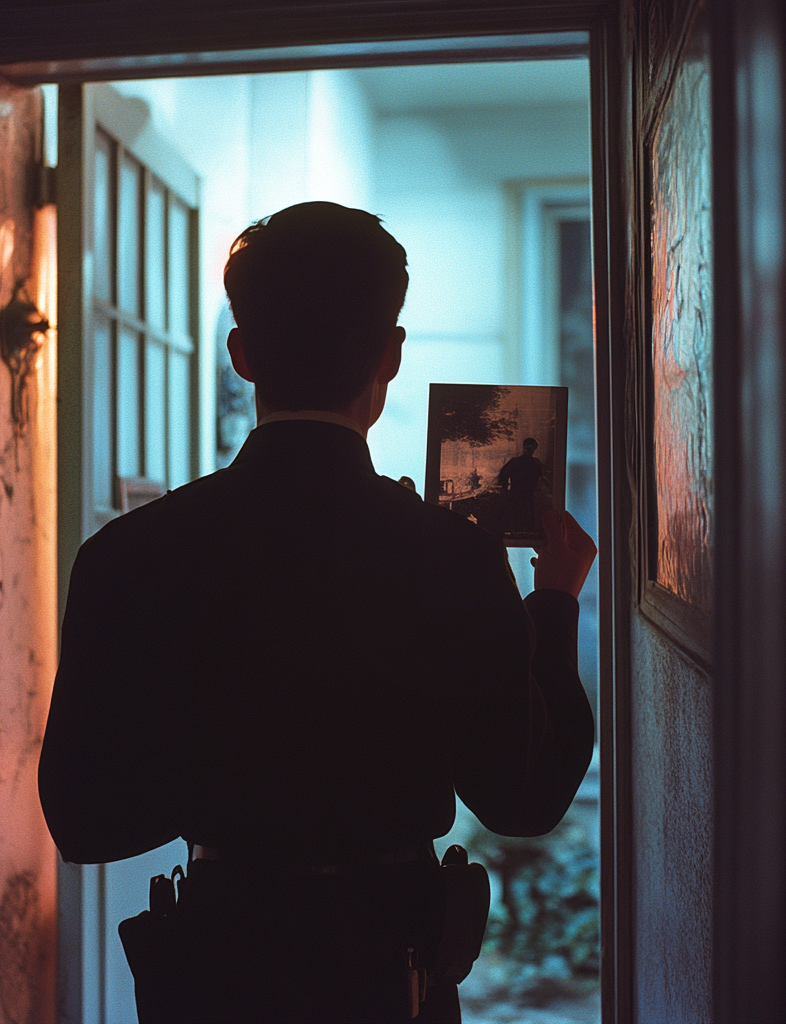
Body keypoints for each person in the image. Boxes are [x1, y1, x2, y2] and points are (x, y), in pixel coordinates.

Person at [38, 202, 596, 1023]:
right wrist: (551, 606)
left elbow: (84, 823)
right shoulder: (452, 555)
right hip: (391, 977)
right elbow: (524, 800)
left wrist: (229, 769)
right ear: (390, 355)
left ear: (241, 355)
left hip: (213, 976)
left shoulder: (127, 554)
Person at [497, 437, 550, 534]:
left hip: (524, 496)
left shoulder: (527, 463)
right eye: (529, 447)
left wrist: (505, 489)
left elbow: (503, 476)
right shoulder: (534, 463)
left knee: (522, 518)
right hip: (522, 496)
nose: (530, 449)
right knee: (522, 518)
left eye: (532, 447)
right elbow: (502, 476)